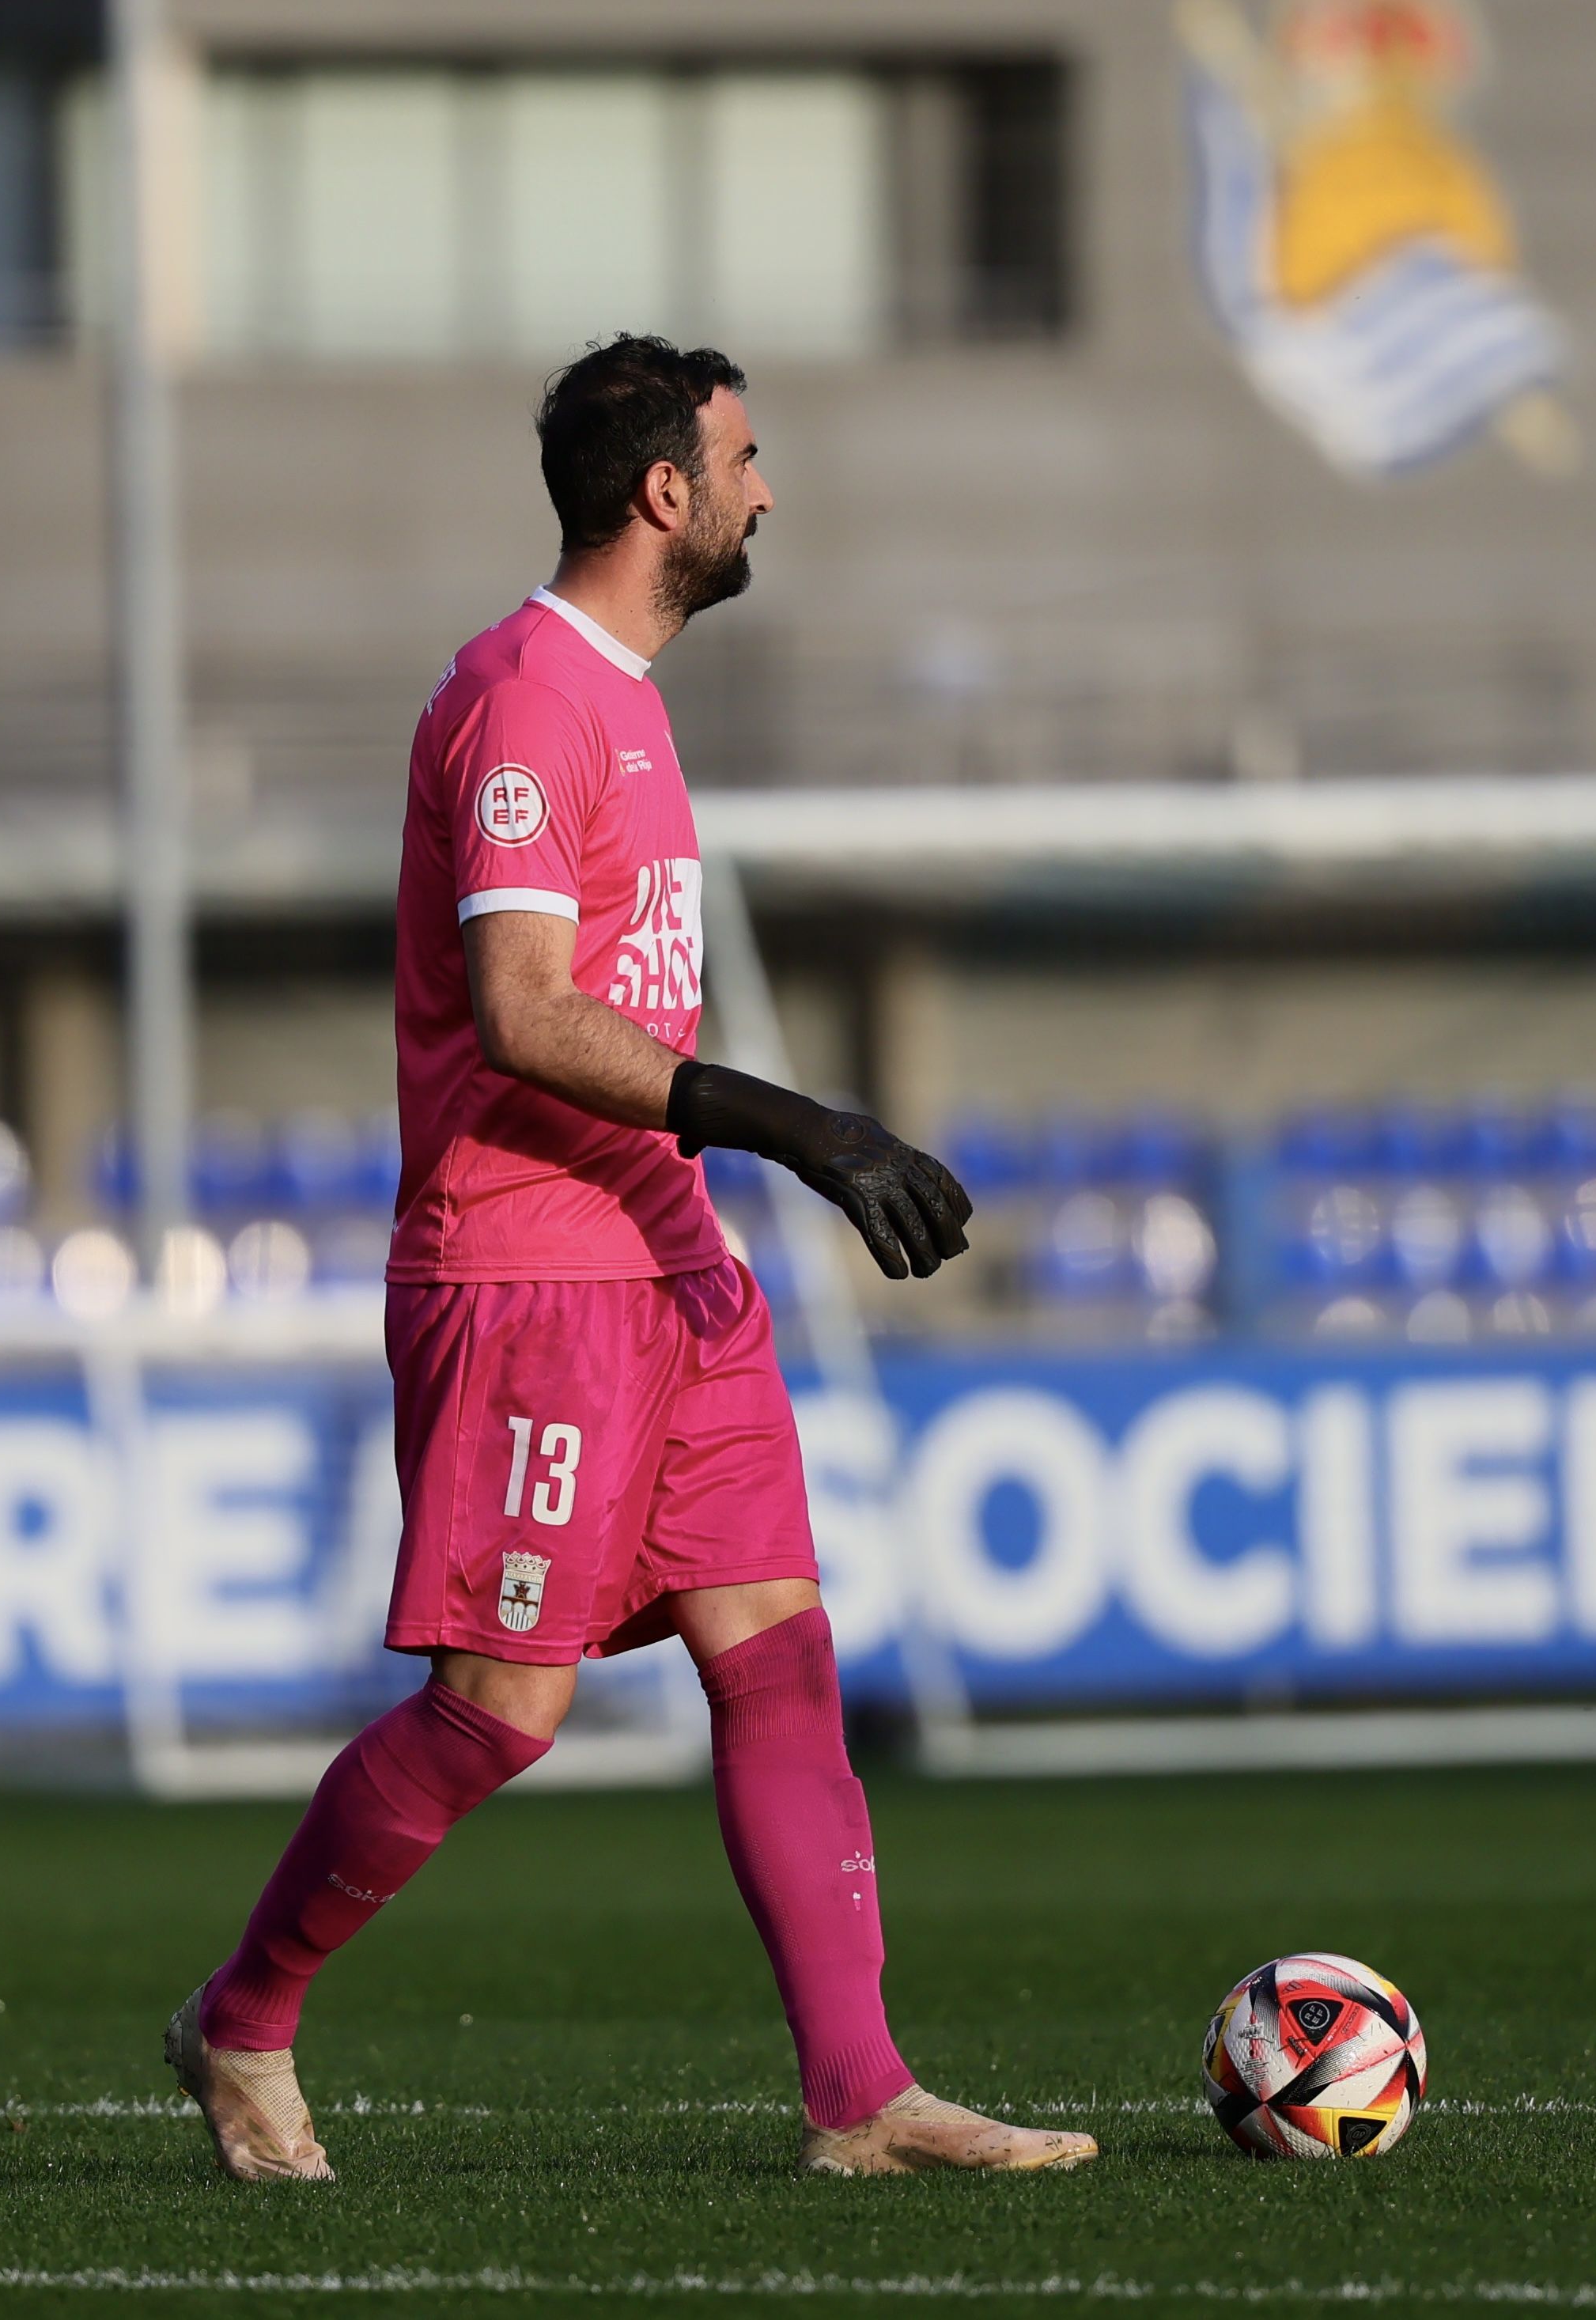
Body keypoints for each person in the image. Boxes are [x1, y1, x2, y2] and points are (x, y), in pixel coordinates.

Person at [165, 334, 1097, 2185]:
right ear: (665, 489)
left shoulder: (628, 698)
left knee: (778, 1655)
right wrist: (807, 1128)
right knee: (501, 1709)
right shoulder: (522, 697)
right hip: (527, 1274)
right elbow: (521, 1013)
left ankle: (862, 2096)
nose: (768, 489)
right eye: (746, 457)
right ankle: (242, 2019)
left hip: (664, 1263)